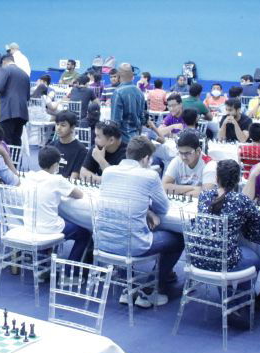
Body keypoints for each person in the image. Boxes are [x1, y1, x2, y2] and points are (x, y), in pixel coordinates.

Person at [97, 136, 182, 306]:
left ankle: (129, 287)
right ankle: (150, 289)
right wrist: (150, 210)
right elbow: (163, 208)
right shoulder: (149, 175)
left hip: (102, 242)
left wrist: (147, 210)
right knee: (178, 239)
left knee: (123, 228)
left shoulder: (108, 171)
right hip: (132, 246)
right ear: (146, 159)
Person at [194, 160, 260, 271]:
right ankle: (238, 283)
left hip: (197, 259)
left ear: (216, 178)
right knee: (254, 257)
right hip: (224, 264)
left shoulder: (204, 196)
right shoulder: (241, 200)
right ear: (238, 180)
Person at [30, 146, 90, 261]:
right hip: (48, 229)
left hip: (30, 226)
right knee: (85, 234)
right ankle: (70, 270)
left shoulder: (31, 176)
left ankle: (43, 261)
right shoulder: (57, 180)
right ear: (55, 165)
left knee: (55, 217)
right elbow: (79, 195)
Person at [0, 53, 30, 147]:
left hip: (8, 110)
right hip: (22, 112)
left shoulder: (5, 69)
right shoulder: (25, 74)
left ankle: (6, 157)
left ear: (3, 62)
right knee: (17, 139)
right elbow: (28, 97)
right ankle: (16, 157)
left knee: (5, 140)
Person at [162, 130, 216, 198]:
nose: (183, 157)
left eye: (187, 153)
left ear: (198, 151)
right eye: (181, 153)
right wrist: (194, 188)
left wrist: (178, 192)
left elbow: (206, 194)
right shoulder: (177, 160)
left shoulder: (209, 165)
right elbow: (164, 187)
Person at [50, 110, 87, 179]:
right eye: (57, 124)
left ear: (72, 127)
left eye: (63, 125)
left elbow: (75, 176)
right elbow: (46, 171)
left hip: (68, 183)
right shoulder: (51, 146)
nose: (58, 128)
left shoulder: (81, 149)